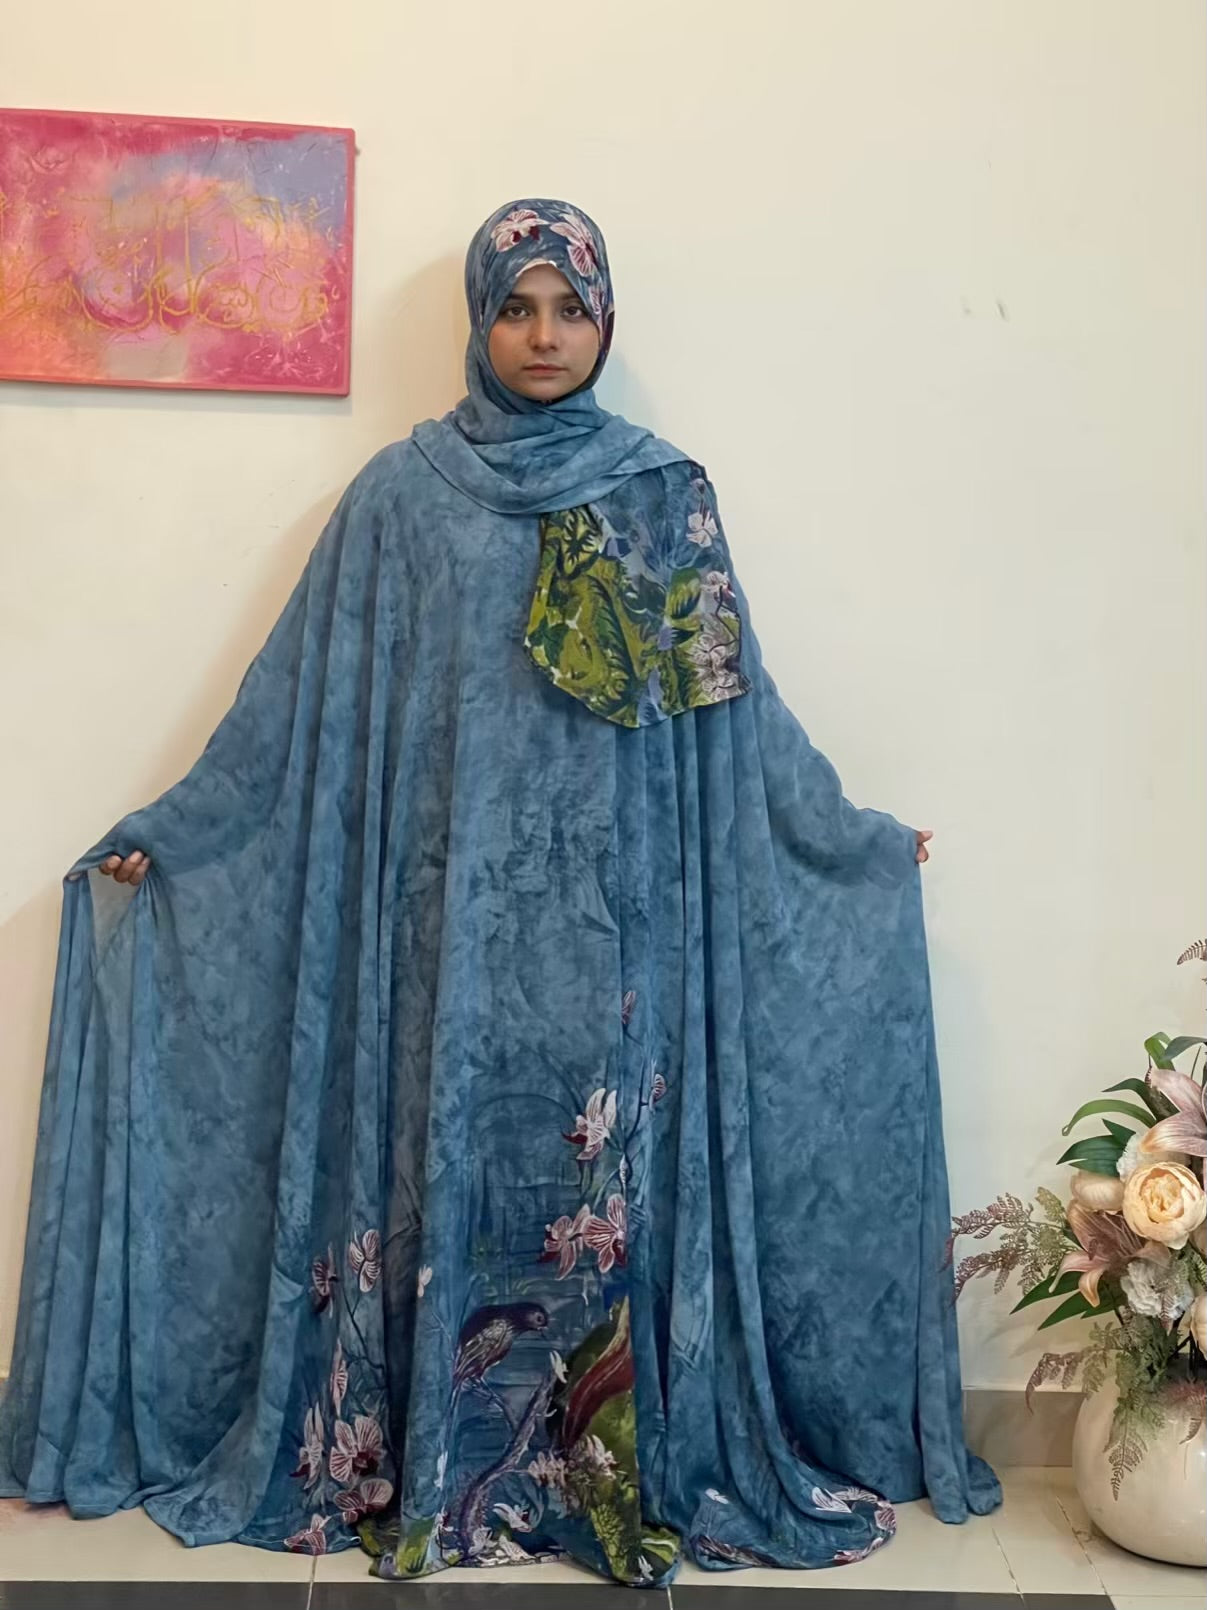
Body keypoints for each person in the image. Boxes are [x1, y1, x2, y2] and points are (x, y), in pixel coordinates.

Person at [0, 198, 998, 1585]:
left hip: (616, 943)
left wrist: (847, 837)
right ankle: (442, 1455)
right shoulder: (401, 501)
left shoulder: (660, 497)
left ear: (605, 321)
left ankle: (596, 1465)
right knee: (446, 1173)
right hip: (438, 947)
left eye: (569, 308)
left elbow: (738, 717)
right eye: (516, 307)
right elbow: (292, 716)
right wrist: (178, 836)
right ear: (478, 320)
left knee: (596, 1188)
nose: (543, 335)